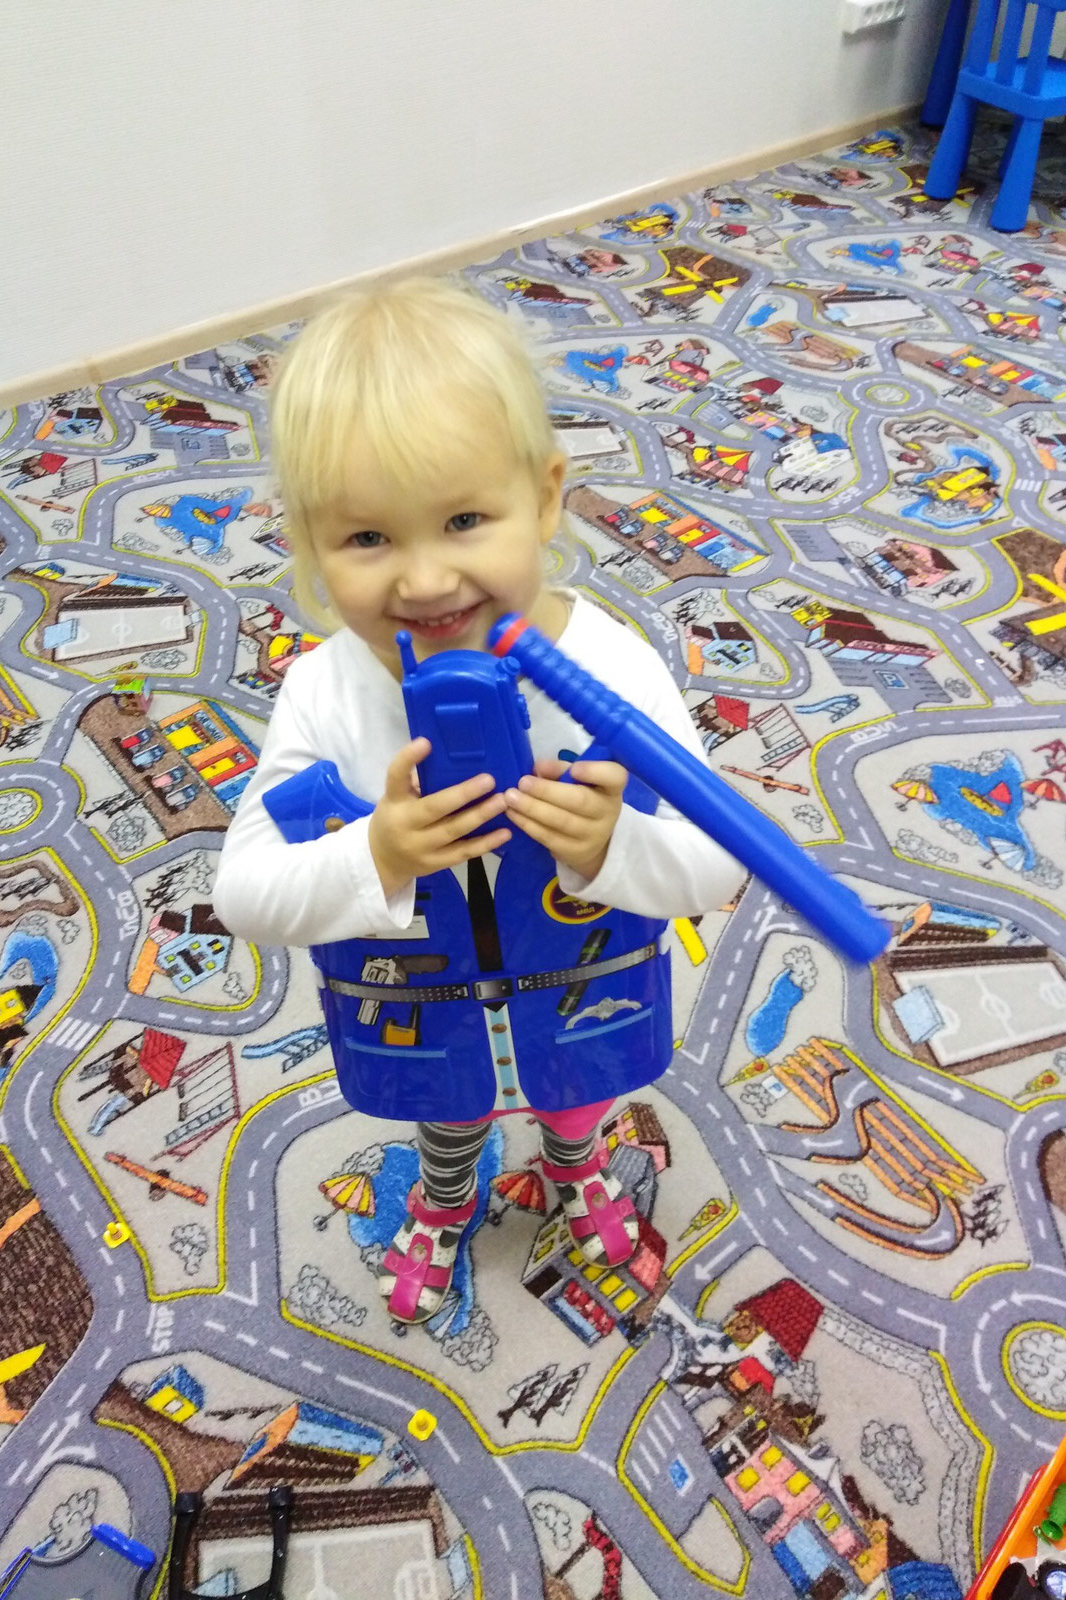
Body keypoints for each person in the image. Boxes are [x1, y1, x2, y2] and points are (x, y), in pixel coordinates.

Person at [213, 277, 747, 1325]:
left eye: (464, 519)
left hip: (580, 985)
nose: (423, 581)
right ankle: (448, 1193)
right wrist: (375, 854)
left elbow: (720, 859)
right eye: (368, 538)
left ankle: (575, 1162)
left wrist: (614, 846)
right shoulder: (324, 691)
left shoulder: (613, 670)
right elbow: (244, 892)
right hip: (425, 1009)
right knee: (448, 1110)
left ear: (544, 499)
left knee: (576, 1092)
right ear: (309, 541)